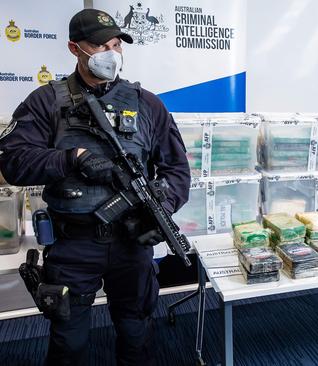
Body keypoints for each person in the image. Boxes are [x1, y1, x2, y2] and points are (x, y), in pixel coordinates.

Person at [0, 9, 190, 365]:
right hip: (74, 245)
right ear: (75, 48)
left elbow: (177, 169)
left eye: (116, 44)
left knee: (137, 336)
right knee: (68, 345)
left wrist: (160, 208)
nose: (111, 52)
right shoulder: (46, 102)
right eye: (100, 44)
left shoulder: (147, 104)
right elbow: (13, 163)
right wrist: (72, 158)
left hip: (133, 243)